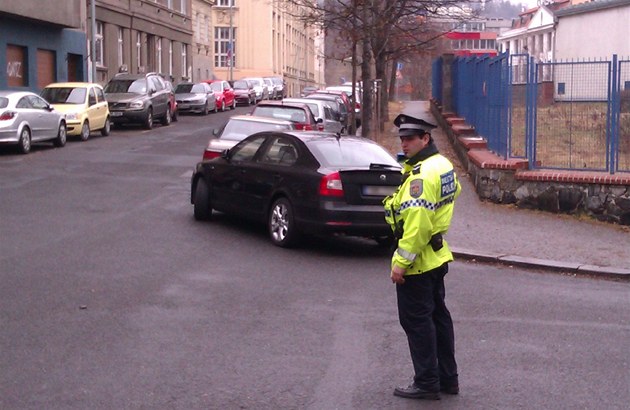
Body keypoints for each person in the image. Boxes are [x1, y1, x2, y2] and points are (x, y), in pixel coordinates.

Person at [383, 113, 461, 400]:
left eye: (410, 139)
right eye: (402, 139)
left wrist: (400, 264)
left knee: (417, 322)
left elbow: (416, 224)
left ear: (425, 139)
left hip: (418, 260)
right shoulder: (442, 165)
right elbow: (454, 193)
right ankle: (447, 379)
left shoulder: (421, 176)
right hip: (437, 257)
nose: (404, 143)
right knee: (438, 318)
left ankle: (427, 381)